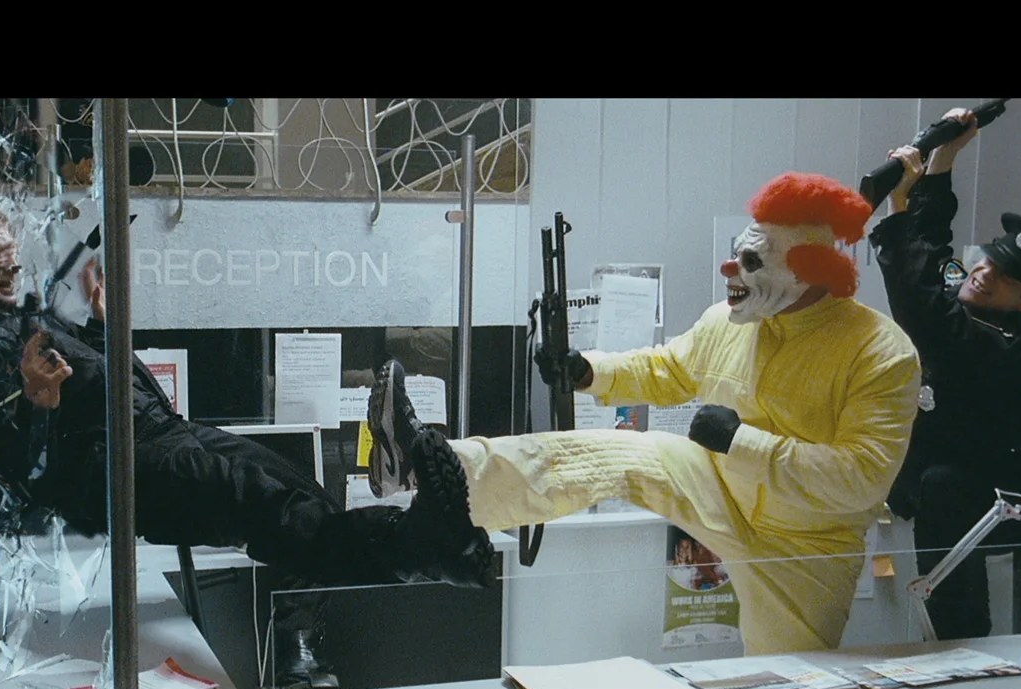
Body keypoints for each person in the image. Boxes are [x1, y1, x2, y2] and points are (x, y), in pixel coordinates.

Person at [0, 199, 495, 689]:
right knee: (266, 504)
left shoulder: (16, 317)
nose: (13, 260)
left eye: (12, 247)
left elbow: (89, 374)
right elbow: (1, 477)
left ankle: (305, 645)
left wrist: (102, 326)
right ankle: (425, 550)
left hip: (162, 430)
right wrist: (37, 405)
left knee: (300, 491)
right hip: (121, 467)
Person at [369, 171, 923, 656]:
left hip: (808, 542)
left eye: (752, 260)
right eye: (738, 250)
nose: (730, 266)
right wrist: (588, 371)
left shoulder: (881, 353)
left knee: (791, 676)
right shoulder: (725, 323)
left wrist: (741, 441)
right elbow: (669, 369)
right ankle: (428, 465)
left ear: (805, 270)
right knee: (620, 453)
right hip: (720, 488)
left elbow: (863, 478)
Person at [870, 107, 1021, 641]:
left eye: (1004, 278)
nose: (984, 274)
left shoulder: (1004, 345)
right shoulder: (966, 300)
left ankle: (965, 654)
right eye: (988, 261)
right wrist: (944, 159)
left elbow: (921, 306)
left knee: (943, 494)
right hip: (933, 490)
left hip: (989, 501)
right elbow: (934, 249)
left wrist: (896, 207)